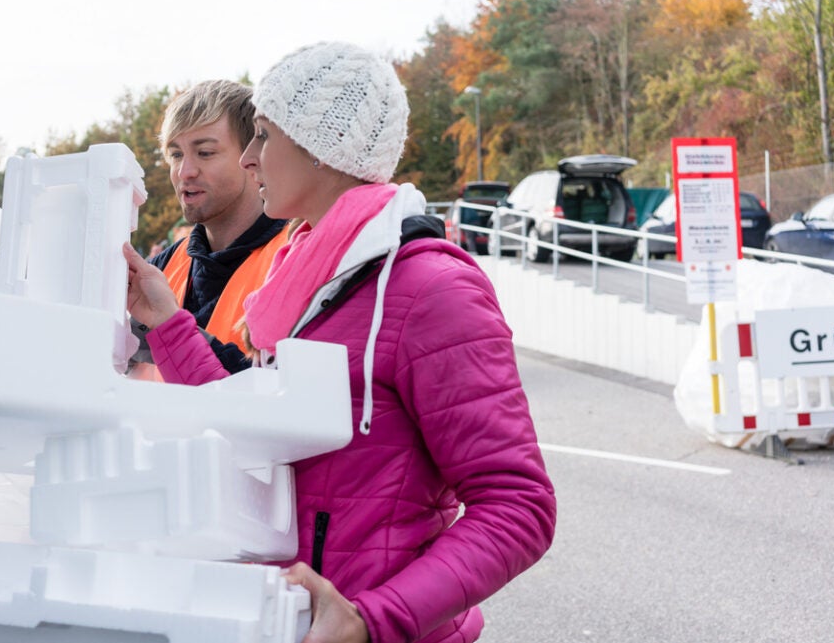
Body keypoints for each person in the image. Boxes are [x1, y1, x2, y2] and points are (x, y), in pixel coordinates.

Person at [123, 42, 556, 642]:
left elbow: (519, 508)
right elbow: (252, 426)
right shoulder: (305, 278)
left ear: (320, 150)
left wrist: (371, 619)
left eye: (264, 137)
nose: (250, 159)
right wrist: (167, 321)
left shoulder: (432, 289)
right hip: (287, 622)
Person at [139, 79, 287, 373]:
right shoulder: (159, 269)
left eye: (204, 153)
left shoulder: (294, 261)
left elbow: (281, 400)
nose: (185, 172)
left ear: (253, 158)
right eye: (176, 154)